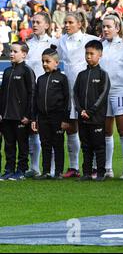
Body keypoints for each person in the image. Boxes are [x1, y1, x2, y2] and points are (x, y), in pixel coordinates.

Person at [57, 11, 99, 178]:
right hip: (68, 89)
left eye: (70, 22)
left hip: (86, 89)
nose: (66, 25)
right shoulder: (61, 40)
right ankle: (74, 167)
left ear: (80, 24)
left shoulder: (90, 40)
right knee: (70, 128)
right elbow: (56, 57)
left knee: (89, 128)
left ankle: (95, 166)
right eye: (65, 22)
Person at [100, 14, 123, 180]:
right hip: (103, 92)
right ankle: (107, 168)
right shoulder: (100, 45)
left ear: (118, 28)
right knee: (106, 131)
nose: (106, 29)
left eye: (109, 26)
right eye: (104, 27)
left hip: (121, 90)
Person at [24, 12, 57, 178]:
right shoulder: (28, 44)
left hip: (49, 92)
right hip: (32, 92)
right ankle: (34, 167)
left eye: (38, 22)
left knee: (49, 131)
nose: (34, 25)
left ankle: (50, 168)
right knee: (33, 130)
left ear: (47, 25)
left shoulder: (54, 43)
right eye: (33, 22)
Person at [73, 40, 110, 182]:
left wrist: (91, 111)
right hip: (82, 118)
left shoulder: (103, 74)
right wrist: (80, 110)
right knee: (86, 146)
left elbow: (103, 95)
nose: (88, 56)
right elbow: (75, 94)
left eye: (91, 53)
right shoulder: (81, 75)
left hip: (96, 118)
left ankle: (101, 174)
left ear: (99, 54)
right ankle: (87, 173)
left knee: (99, 147)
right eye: (86, 53)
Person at [31, 47, 70, 180]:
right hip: (42, 118)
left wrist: (65, 119)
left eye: (47, 61)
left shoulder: (62, 79)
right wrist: (34, 119)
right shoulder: (40, 79)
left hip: (57, 118)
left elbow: (67, 100)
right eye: (43, 61)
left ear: (56, 63)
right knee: (45, 144)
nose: (44, 64)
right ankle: (46, 171)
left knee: (58, 145)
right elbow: (36, 100)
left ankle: (58, 172)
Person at [0, 42, 35, 181]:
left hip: (21, 117)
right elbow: (2, 94)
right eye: (11, 51)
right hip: (7, 116)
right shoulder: (8, 71)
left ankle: (21, 170)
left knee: (22, 145)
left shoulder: (27, 71)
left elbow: (32, 94)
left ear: (24, 54)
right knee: (9, 145)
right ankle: (8, 170)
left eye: (15, 51)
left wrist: (28, 115)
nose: (11, 54)